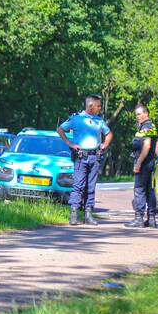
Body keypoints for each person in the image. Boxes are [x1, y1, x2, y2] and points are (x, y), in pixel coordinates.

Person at [57, 95, 113, 225]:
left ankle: (88, 214)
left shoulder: (99, 121)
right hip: (81, 157)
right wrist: (70, 144)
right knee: (78, 186)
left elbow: (109, 133)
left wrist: (105, 144)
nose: (100, 108)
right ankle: (74, 213)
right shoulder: (76, 119)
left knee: (91, 187)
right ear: (91, 106)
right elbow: (60, 129)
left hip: (95, 156)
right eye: (98, 106)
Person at [126, 104, 158, 228]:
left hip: (144, 163)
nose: (137, 117)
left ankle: (139, 218)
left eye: (139, 114)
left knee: (139, 190)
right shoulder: (150, 126)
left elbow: (147, 145)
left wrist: (139, 162)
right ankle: (151, 219)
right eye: (136, 115)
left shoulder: (147, 127)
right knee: (149, 191)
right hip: (149, 163)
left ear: (146, 113)